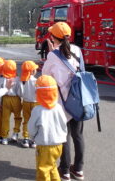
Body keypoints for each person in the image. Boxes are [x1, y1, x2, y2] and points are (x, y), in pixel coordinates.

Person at [42, 22, 85, 181]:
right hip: (79, 100)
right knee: (78, 135)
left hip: (61, 103)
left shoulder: (53, 55)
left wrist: (52, 54)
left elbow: (45, 78)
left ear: (53, 37)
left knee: (64, 136)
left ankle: (65, 170)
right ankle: (79, 170)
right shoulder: (78, 50)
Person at [28, 75, 67, 181]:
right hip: (58, 144)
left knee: (43, 170)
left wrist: (33, 137)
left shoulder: (37, 110)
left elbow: (31, 128)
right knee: (52, 166)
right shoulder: (59, 108)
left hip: (45, 145)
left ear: (39, 93)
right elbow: (64, 124)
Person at [0, 60, 22, 145]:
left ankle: (4, 137)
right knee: (18, 117)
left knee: (5, 119)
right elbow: (20, 91)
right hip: (16, 99)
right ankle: (15, 133)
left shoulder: (1, 79)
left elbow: (0, 92)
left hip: (5, 99)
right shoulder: (17, 79)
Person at [20, 61, 39, 148]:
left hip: (26, 102)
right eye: (35, 69)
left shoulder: (23, 80)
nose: (36, 70)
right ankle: (34, 140)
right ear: (32, 71)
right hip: (35, 103)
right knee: (35, 121)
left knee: (26, 120)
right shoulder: (36, 81)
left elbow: (21, 92)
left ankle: (26, 138)